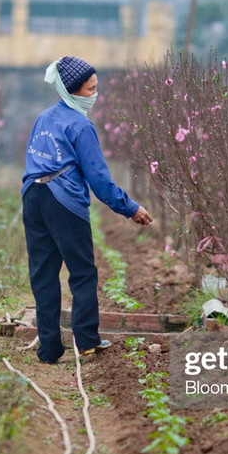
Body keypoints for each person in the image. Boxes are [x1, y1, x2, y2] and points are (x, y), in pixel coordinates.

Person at [22, 55, 153, 364]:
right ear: (72, 91)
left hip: (33, 197)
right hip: (63, 202)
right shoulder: (80, 126)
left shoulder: (44, 118)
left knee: (43, 274)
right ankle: (87, 341)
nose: (95, 94)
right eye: (90, 89)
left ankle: (50, 348)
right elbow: (98, 178)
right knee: (82, 272)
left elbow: (33, 160)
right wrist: (130, 208)